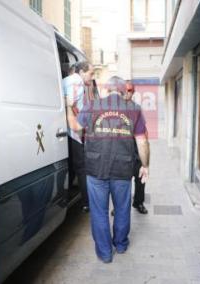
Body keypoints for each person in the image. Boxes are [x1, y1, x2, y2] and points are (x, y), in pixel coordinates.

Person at [66, 76, 150, 263]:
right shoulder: (134, 109)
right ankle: (120, 245)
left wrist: (67, 109)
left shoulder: (92, 105)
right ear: (122, 90)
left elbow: (75, 127)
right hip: (123, 168)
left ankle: (105, 253)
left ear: (107, 89)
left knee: (99, 212)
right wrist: (145, 166)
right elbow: (142, 141)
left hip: (96, 169)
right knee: (122, 209)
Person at [62, 61, 95, 212]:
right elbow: (73, 105)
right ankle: (87, 202)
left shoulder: (69, 80)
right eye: (91, 73)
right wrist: (81, 128)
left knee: (74, 166)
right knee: (81, 167)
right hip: (74, 132)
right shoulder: (76, 82)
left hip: (69, 130)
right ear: (82, 72)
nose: (92, 77)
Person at [125, 80, 148, 214]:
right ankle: (119, 206)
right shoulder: (115, 108)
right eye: (126, 90)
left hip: (136, 150)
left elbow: (144, 131)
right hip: (121, 151)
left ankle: (138, 203)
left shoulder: (136, 108)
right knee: (122, 182)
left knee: (140, 179)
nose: (128, 93)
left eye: (130, 90)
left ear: (133, 92)